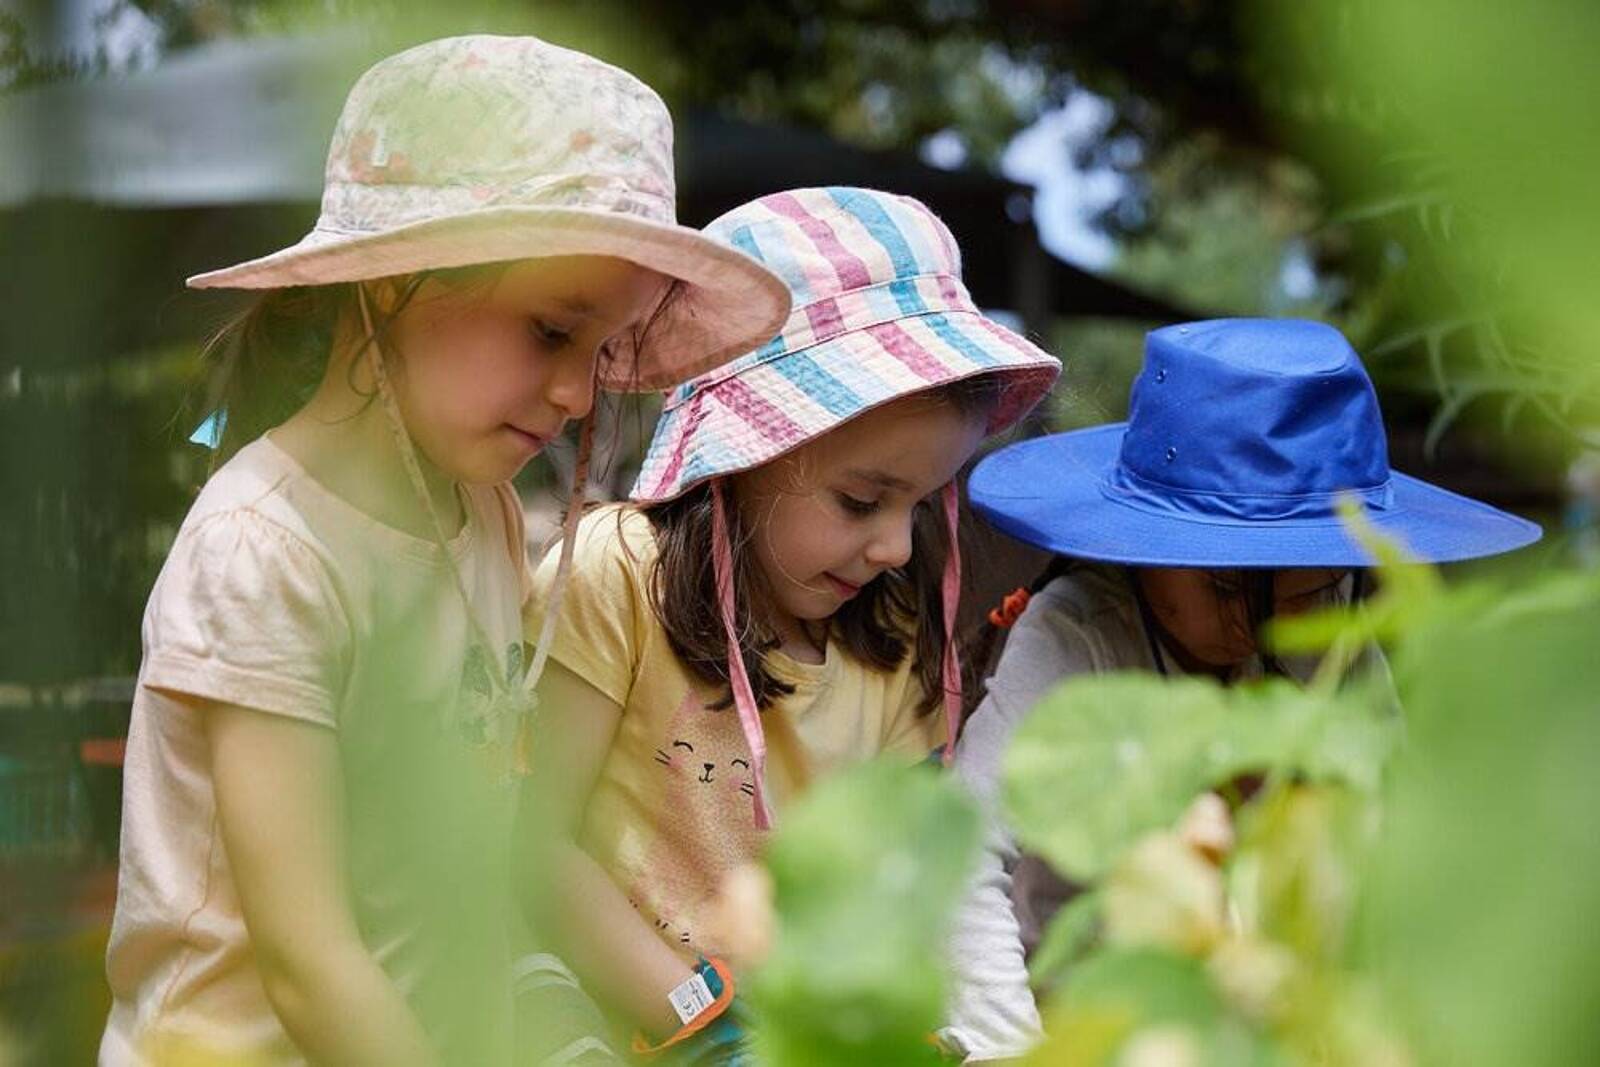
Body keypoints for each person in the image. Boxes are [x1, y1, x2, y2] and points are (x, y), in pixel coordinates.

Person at [99, 34, 788, 1066]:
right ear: (393, 285)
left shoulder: (485, 514)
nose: (578, 393)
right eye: (552, 332)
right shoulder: (265, 550)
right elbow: (306, 958)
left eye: (602, 350)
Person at [515, 187, 1061, 1062]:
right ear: (743, 453)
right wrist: (703, 1013)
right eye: (862, 499)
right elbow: (530, 845)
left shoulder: (888, 632)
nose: (892, 545)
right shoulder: (616, 572)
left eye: (920, 506)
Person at [939, 317, 1543, 1062]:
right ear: (1153, 553)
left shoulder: (1333, 628)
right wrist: (1012, 1051)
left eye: (1316, 587)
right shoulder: (1079, 634)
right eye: (1236, 586)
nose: (1287, 625)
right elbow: (962, 861)